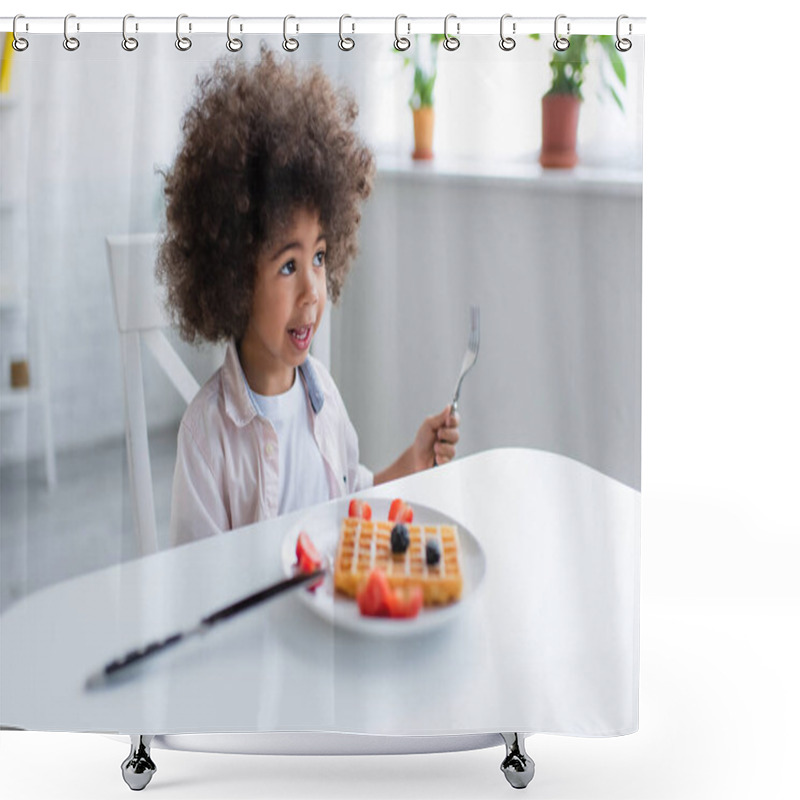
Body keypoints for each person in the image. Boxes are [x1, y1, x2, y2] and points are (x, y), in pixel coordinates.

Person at [158, 46, 459, 547]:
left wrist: (414, 458)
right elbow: (195, 586)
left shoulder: (325, 402)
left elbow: (352, 506)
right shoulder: (207, 437)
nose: (311, 291)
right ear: (233, 274)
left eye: (319, 257)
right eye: (288, 266)